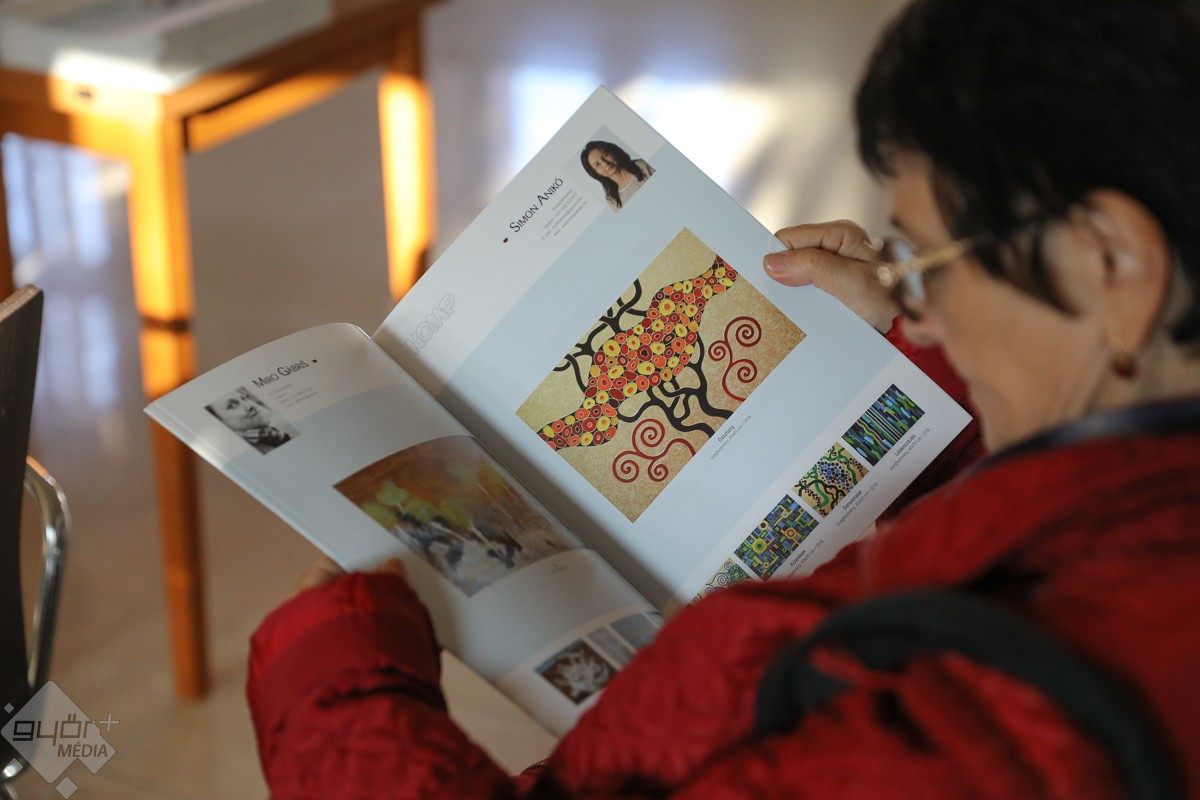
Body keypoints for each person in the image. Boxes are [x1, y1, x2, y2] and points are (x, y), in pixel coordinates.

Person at [246, 1, 1200, 797]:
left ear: (1113, 265)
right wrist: (910, 374)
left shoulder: (984, 724)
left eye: (925, 263)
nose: (917, 306)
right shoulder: (1130, 503)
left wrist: (340, 679)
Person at [205, 386, 295, 454]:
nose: (250, 405)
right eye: (232, 405)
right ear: (220, 423)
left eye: (243, 398)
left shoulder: (275, 434)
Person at [581, 140, 655, 211]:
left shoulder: (642, 166)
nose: (605, 163)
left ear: (613, 152)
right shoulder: (611, 199)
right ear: (596, 172)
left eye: (605, 155)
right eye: (597, 164)